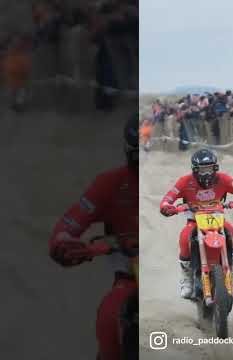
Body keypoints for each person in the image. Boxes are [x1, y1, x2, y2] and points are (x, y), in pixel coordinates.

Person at [48, 115, 139, 360]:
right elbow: (70, 222)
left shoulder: (178, 181)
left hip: (177, 270)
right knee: (109, 318)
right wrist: (63, 241)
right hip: (132, 277)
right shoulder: (109, 184)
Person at [159, 149, 233, 299]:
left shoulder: (224, 179)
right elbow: (168, 197)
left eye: (210, 169)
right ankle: (187, 278)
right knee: (185, 237)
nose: (207, 174)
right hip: (194, 220)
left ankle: (231, 273)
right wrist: (167, 206)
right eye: (203, 170)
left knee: (229, 230)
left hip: (217, 218)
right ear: (195, 170)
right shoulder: (184, 181)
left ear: (215, 168)